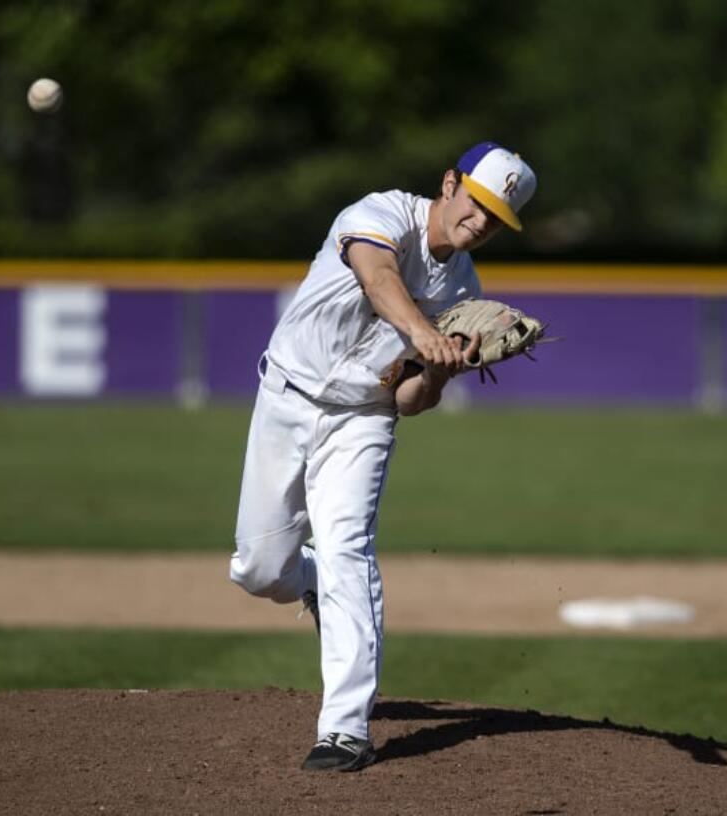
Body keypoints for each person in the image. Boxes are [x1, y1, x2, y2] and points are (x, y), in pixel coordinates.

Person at [229, 142, 537, 771]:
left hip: (363, 419)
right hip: (287, 396)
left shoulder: (465, 290)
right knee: (260, 571)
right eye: (477, 205)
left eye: (496, 222)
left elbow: (407, 399)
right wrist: (426, 333)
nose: (479, 224)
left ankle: (344, 730)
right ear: (450, 184)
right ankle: (307, 579)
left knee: (349, 546)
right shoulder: (380, 214)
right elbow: (377, 276)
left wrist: (449, 368)